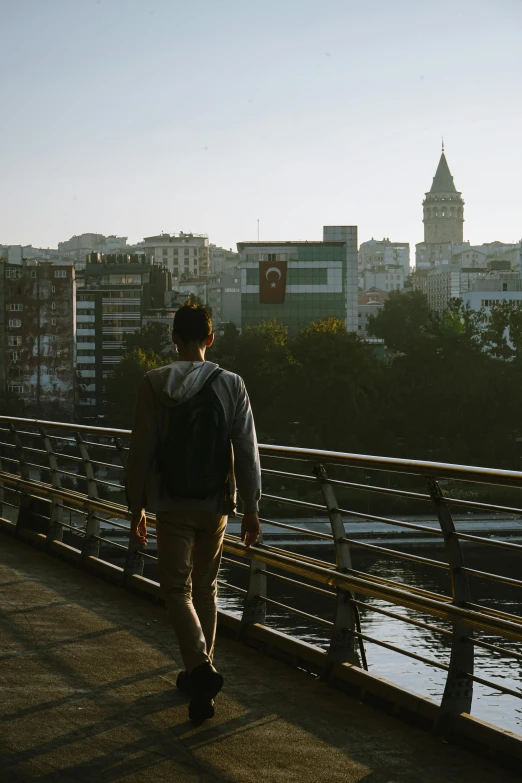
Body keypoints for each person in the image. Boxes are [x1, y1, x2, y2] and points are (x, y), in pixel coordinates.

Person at [125, 303, 261, 722]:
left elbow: (142, 450)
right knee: (205, 588)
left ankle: (199, 668)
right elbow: (246, 451)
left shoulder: (153, 383)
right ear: (211, 338)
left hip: (171, 502)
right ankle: (201, 684)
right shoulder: (232, 384)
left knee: (175, 589)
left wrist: (136, 507)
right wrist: (252, 507)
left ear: (174, 340)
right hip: (215, 503)